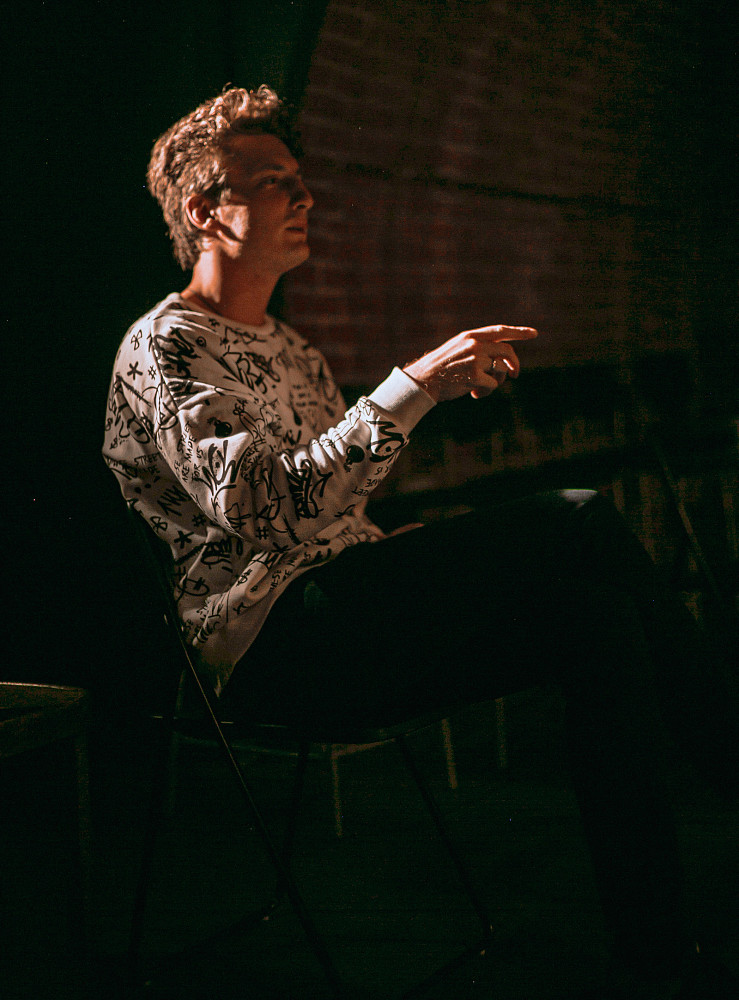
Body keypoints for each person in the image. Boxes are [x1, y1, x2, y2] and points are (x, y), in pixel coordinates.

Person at [103, 86, 737, 998]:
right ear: (206, 210)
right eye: (274, 181)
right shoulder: (164, 345)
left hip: (344, 612)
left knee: (593, 620)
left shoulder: (292, 349)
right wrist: (417, 384)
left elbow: (334, 513)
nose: (303, 196)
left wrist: (403, 545)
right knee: (574, 516)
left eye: (298, 178)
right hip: (271, 647)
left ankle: (656, 945)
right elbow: (264, 512)